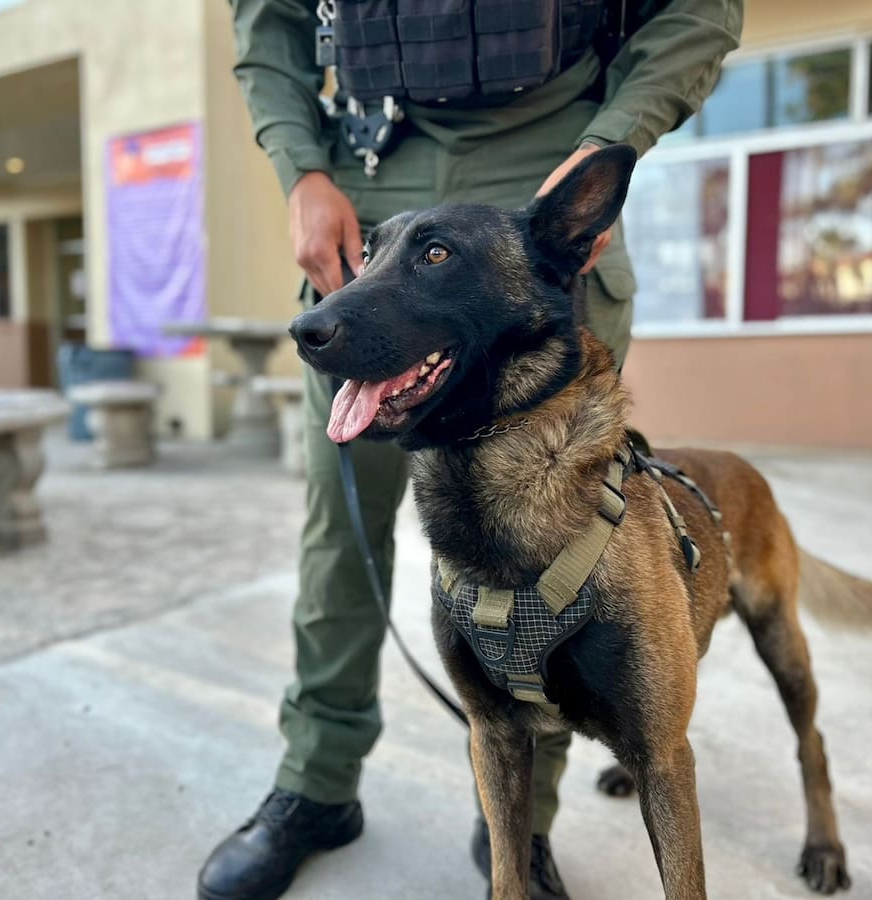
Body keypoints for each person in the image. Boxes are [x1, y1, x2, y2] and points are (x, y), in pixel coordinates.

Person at [201, 3, 742, 899]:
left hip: (554, 146)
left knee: (565, 551)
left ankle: (519, 833)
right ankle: (316, 783)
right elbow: (271, 19)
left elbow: (697, 11)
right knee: (340, 530)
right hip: (370, 157)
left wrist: (616, 134)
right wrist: (301, 165)